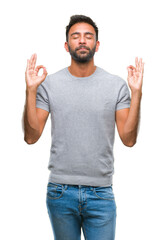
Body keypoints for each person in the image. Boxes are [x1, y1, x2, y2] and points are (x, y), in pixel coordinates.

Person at [23, 15, 144, 240]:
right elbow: (31, 136)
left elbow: (128, 139)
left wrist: (136, 92)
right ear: (66, 44)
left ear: (96, 45)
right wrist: (31, 90)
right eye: (75, 36)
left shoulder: (116, 85)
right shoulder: (49, 84)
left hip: (101, 194)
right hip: (60, 192)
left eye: (88, 37)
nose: (81, 41)